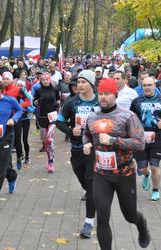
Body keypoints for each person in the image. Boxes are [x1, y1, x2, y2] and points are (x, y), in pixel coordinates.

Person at [83, 78, 150, 250]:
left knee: (130, 215)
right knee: (102, 215)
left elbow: (139, 143)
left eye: (107, 94)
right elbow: (87, 135)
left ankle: (141, 225)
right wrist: (87, 144)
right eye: (101, 93)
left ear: (116, 95)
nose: (103, 97)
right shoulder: (92, 116)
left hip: (124, 173)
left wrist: (113, 140)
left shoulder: (128, 116)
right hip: (101, 173)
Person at [57, 70, 98, 238]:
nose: (79, 85)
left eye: (83, 82)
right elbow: (59, 122)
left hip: (96, 149)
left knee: (90, 182)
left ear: (91, 84)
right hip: (77, 149)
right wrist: (70, 130)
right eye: (78, 82)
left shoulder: (101, 101)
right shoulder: (71, 102)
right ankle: (90, 191)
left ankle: (89, 222)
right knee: (81, 177)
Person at [130, 77, 161, 201]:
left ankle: (155, 191)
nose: (147, 87)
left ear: (154, 85)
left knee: (155, 166)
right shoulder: (136, 101)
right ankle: (146, 174)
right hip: (140, 138)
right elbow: (131, 118)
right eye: (144, 85)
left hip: (157, 137)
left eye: (149, 85)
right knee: (142, 168)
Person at [2, 71, 31, 169]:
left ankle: (19, 156)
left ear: (11, 80)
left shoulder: (18, 89)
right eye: (4, 79)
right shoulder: (0, 90)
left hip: (16, 118)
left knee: (17, 140)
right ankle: (7, 162)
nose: (5, 81)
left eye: (7, 79)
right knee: (7, 140)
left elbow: (28, 102)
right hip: (4, 119)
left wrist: (18, 106)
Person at [33, 72, 60, 172]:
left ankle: (51, 162)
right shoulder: (39, 90)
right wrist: (38, 101)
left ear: (50, 80)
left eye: (46, 79)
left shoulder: (55, 89)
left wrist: (57, 104)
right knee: (46, 142)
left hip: (52, 117)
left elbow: (58, 100)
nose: (45, 81)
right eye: (43, 80)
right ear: (41, 81)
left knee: (50, 140)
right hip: (42, 117)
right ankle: (50, 160)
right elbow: (34, 103)